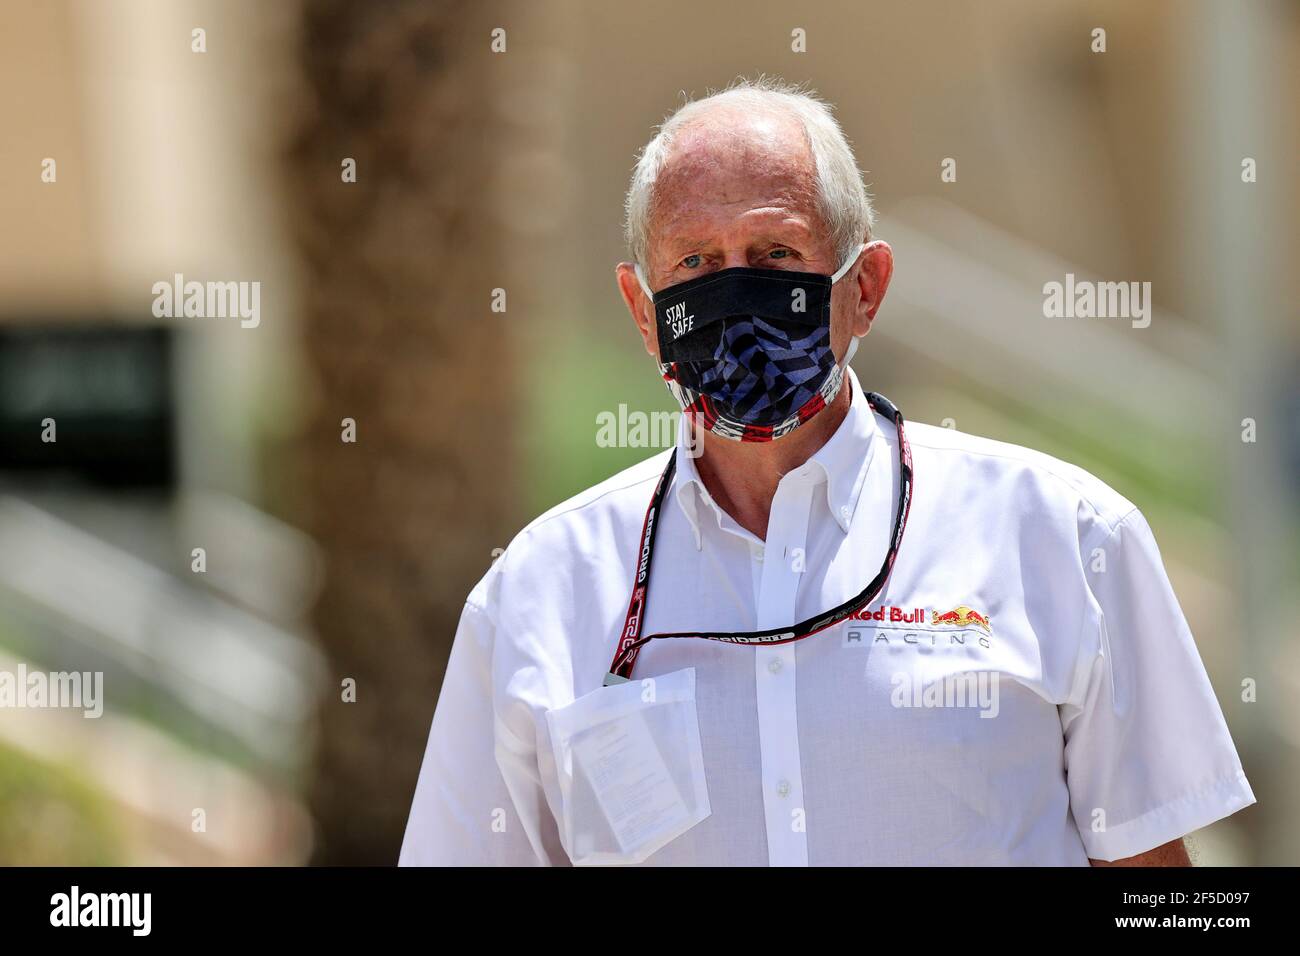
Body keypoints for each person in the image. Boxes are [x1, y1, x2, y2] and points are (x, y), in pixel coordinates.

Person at [400, 77, 1254, 866]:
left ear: (866, 287)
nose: (735, 293)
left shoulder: (1064, 537)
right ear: (643, 310)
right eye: (694, 263)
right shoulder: (540, 594)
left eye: (776, 254)